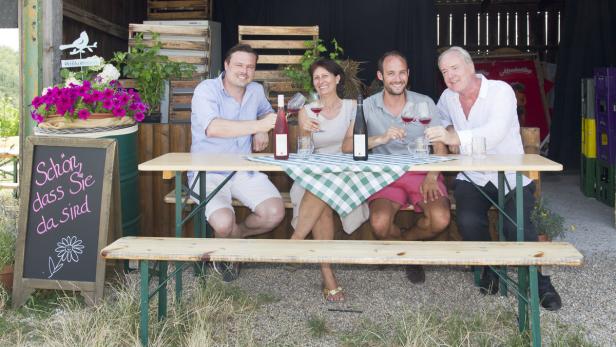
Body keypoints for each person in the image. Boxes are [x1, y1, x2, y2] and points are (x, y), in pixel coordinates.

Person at [426, 46, 562, 311]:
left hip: (511, 175)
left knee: (517, 228)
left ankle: (540, 283)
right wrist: (449, 129)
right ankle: (491, 269)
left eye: (455, 68)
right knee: (467, 222)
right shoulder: (448, 97)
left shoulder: (500, 91)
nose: (450, 76)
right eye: (444, 72)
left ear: (470, 66)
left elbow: (495, 132)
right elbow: (441, 121)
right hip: (473, 176)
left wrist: (455, 138)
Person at [342, 51, 451, 284]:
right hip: (385, 175)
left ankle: (405, 246)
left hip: (422, 173)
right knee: (380, 225)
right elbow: (347, 145)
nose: (397, 78)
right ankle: (409, 254)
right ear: (380, 76)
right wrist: (379, 139)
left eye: (402, 72)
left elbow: (441, 148)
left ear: (408, 74)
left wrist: (432, 176)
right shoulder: (367, 105)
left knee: (441, 219)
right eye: (391, 73)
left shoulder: (424, 103)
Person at [190, 44, 285, 282]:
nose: (245, 71)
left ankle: (235, 238)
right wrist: (258, 127)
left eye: (250, 67)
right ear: (226, 65)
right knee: (222, 224)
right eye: (239, 65)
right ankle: (226, 242)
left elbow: (266, 112)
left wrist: (261, 132)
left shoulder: (255, 90)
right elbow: (213, 128)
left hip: (243, 169)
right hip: (207, 171)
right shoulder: (206, 90)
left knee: (274, 213)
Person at [291, 58, 369, 302]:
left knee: (322, 189)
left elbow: (349, 147)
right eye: (316, 77)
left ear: (337, 79)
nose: (321, 81)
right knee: (321, 194)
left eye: (326, 76)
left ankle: (294, 243)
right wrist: (303, 128)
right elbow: (304, 150)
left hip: (345, 172)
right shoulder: (307, 109)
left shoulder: (352, 107)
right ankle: (327, 274)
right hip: (314, 172)